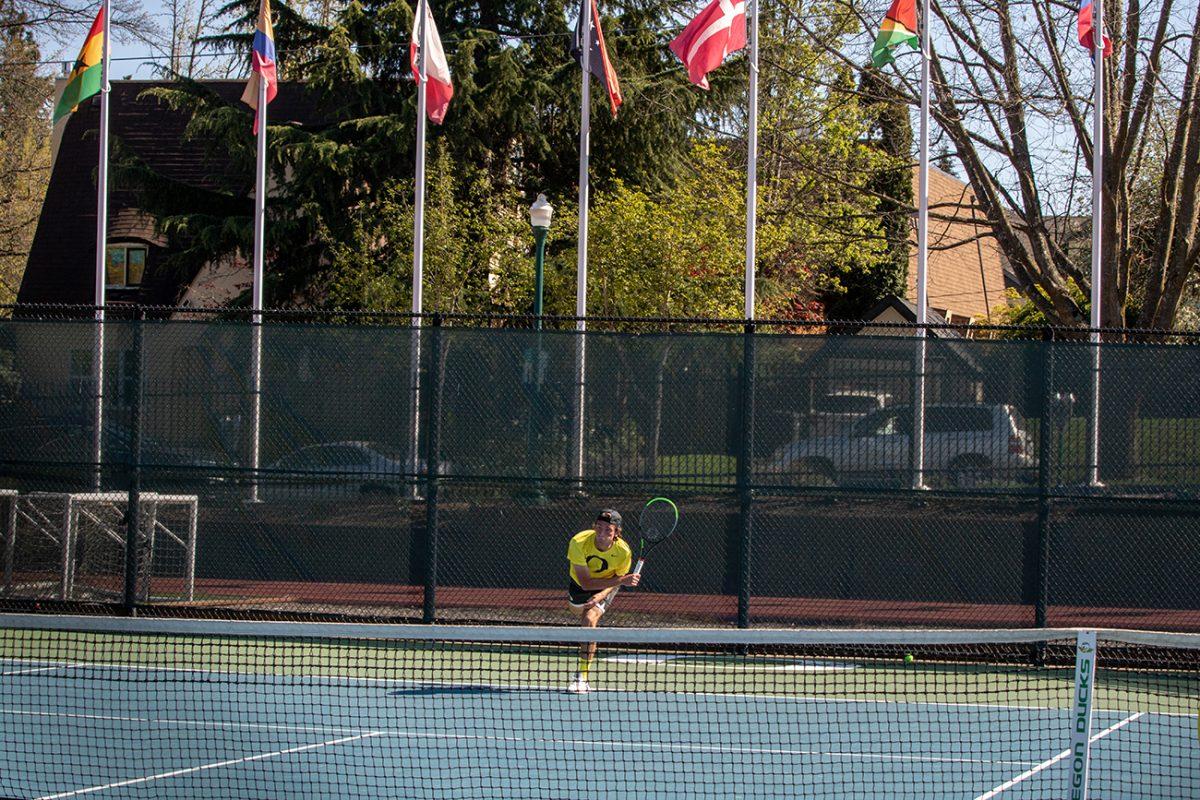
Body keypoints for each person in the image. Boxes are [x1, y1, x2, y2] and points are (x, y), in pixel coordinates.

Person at [565, 508, 640, 693]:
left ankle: (582, 677)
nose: (602, 533)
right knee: (577, 611)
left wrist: (600, 595)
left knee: (589, 620)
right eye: (599, 527)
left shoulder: (623, 552)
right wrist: (623, 580)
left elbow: (614, 583)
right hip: (579, 585)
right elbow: (585, 582)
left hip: (607, 588)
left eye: (608, 529)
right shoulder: (579, 542)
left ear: (616, 534)